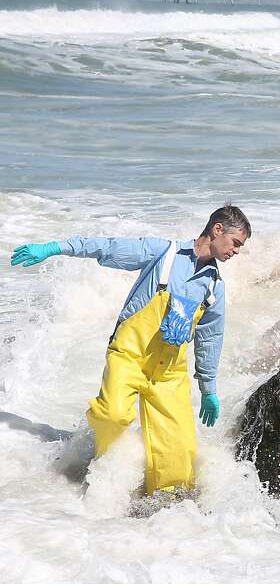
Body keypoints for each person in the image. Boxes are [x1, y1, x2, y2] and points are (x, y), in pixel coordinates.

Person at [8, 205, 251, 495]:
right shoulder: (163, 253)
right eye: (236, 243)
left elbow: (210, 338)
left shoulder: (214, 286)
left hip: (168, 373)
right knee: (112, 416)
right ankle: (98, 471)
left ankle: (159, 508)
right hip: (129, 356)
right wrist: (56, 247)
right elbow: (107, 247)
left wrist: (208, 388)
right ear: (217, 229)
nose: (237, 251)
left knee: (179, 459)